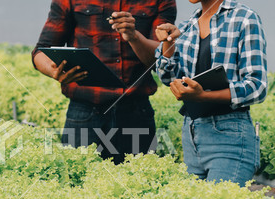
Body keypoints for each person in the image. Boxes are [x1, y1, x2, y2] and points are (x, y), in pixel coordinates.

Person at [32, 0, 177, 164]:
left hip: (137, 113)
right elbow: (41, 50)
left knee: (139, 183)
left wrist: (134, 37)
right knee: (79, 182)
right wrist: (54, 71)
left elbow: (161, 58)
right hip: (84, 112)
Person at [155, 0, 267, 186]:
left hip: (229, 137)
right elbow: (169, 78)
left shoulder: (245, 18)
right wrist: (168, 44)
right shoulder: (187, 26)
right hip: (192, 134)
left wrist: (203, 96)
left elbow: (257, 87)